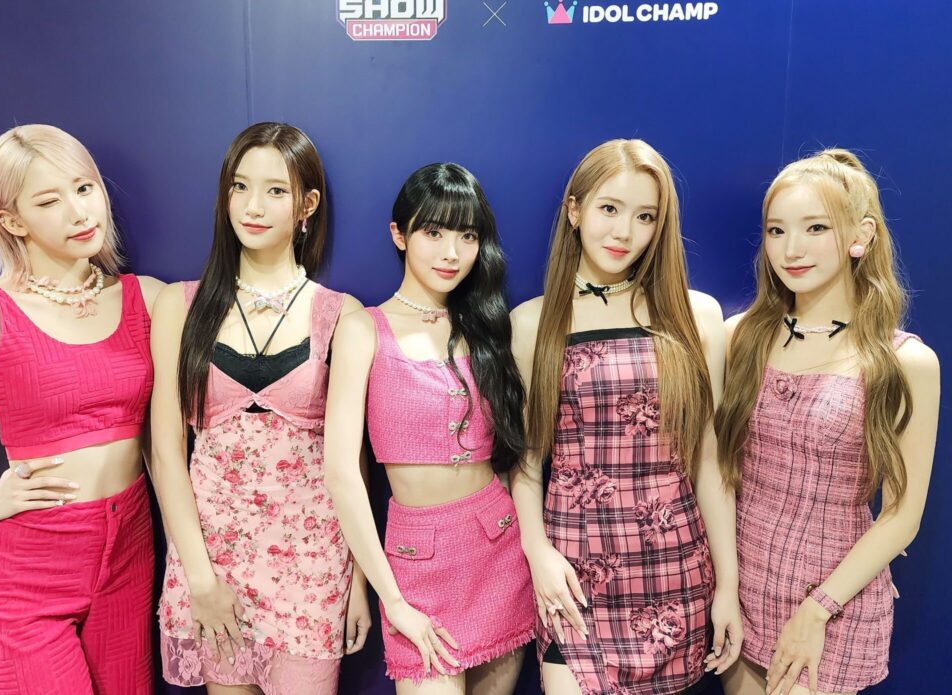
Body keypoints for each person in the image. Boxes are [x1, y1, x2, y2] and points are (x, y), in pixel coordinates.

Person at [0, 124, 163, 694]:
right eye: (49, 201)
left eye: (85, 188)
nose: (79, 212)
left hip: (129, 552)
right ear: (12, 220)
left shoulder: (148, 298)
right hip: (25, 571)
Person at [512, 139, 743, 694]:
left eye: (645, 217)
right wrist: (537, 550)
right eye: (609, 209)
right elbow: (525, 461)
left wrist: (728, 588)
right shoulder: (532, 323)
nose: (624, 232)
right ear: (575, 210)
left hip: (674, 569)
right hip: (574, 572)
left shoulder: (696, 314)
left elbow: (710, 460)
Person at [151, 122, 370, 695]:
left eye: (275, 191)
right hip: (213, 558)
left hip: (312, 562)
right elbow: (166, 454)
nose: (253, 206)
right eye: (240, 187)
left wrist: (359, 581)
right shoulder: (180, 306)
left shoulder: (340, 315)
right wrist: (200, 579)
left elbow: (351, 461)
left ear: (307, 205)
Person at [716, 150, 939, 695]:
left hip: (834, 606)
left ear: (861, 235)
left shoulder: (905, 361)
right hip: (742, 592)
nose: (791, 249)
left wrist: (817, 609)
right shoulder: (738, 337)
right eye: (777, 230)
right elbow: (715, 470)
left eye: (815, 228)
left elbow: (902, 516)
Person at [324, 163, 535, 694]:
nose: (451, 253)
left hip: (498, 545)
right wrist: (390, 599)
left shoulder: (487, 325)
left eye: (468, 236)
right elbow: (342, 474)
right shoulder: (362, 328)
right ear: (399, 234)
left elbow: (516, 453)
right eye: (434, 232)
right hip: (416, 562)